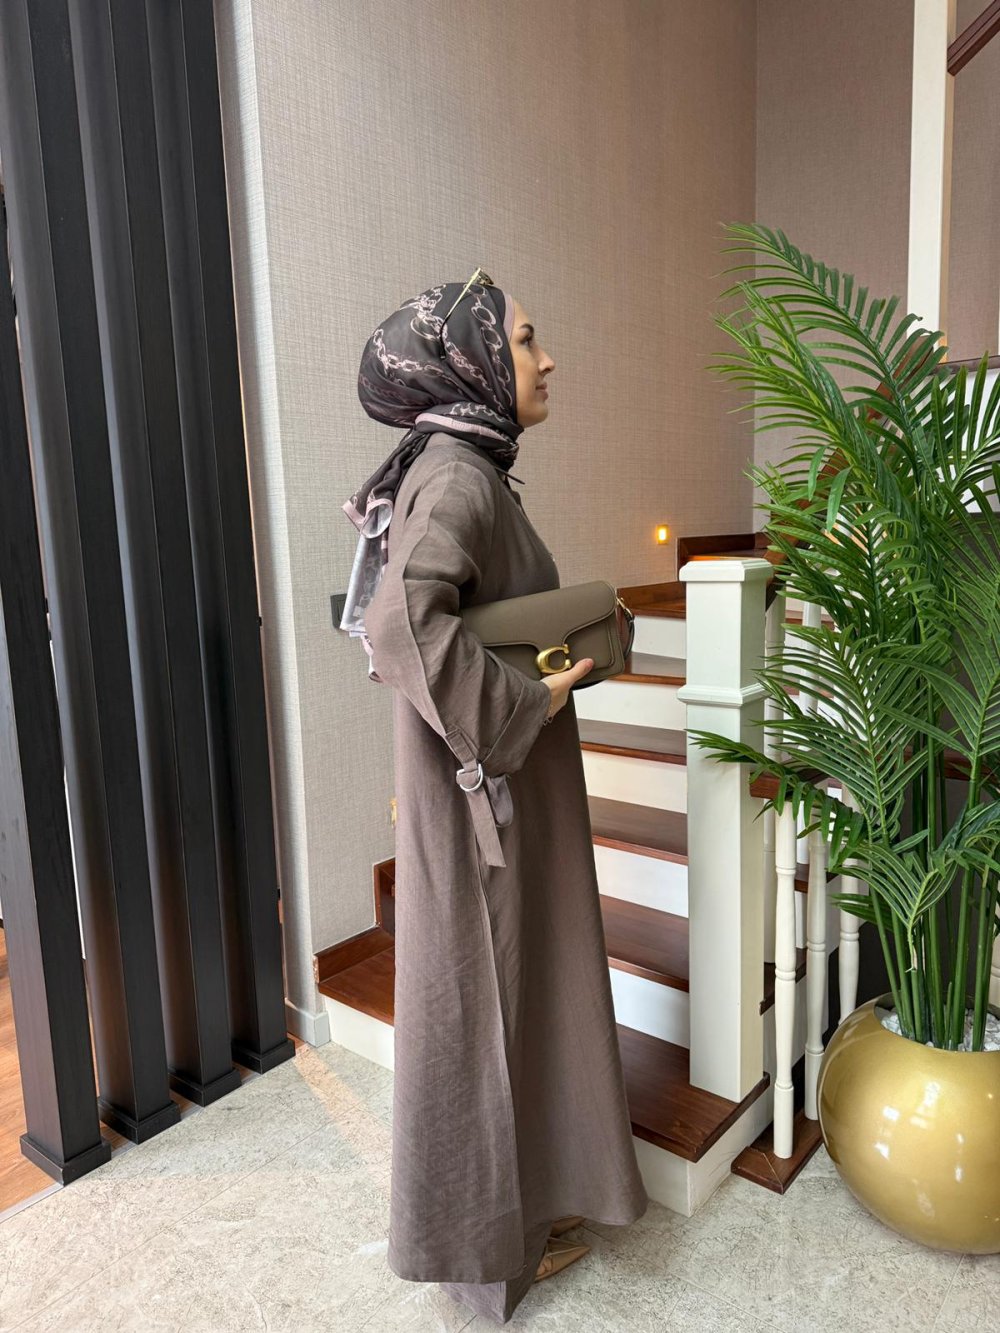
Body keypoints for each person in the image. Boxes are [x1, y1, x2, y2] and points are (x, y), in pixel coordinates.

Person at [340, 272, 648, 1325]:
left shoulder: (467, 467)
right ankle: (483, 1259)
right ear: (470, 360)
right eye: (524, 339)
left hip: (499, 792)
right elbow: (401, 627)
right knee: (481, 1014)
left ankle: (521, 1216)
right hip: (488, 805)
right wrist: (527, 700)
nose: (546, 357)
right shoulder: (459, 477)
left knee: (516, 1000)